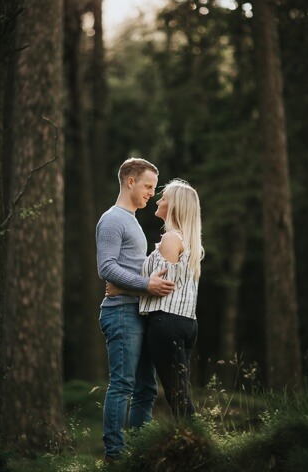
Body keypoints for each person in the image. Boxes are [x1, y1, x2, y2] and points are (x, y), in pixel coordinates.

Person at [97, 158, 176, 462]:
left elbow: (132, 270)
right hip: (120, 313)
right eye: (148, 186)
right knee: (123, 384)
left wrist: (138, 286)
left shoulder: (132, 221)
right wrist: (143, 285)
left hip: (140, 312)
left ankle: (139, 453)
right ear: (130, 181)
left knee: (146, 388)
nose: (151, 193)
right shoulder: (113, 219)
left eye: (154, 188)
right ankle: (115, 455)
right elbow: (106, 267)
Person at [107, 179, 205, 419]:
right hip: (186, 323)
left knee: (177, 396)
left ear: (174, 206)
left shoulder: (171, 239)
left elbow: (160, 287)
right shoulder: (188, 241)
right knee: (180, 393)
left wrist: (122, 289)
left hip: (167, 323)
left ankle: (198, 445)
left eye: (164, 198)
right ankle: (194, 443)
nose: (158, 200)